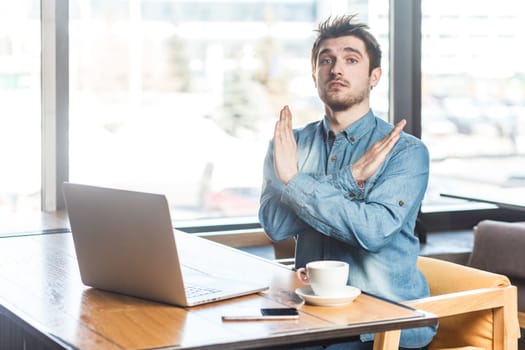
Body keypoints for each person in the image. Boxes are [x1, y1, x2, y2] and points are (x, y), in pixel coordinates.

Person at [258, 14, 436, 349]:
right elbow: (276, 226)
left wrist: (294, 182)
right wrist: (350, 179)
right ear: (315, 75)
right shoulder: (288, 144)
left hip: (384, 325)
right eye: (326, 60)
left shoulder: (406, 152)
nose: (337, 69)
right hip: (310, 319)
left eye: (351, 59)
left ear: (374, 76)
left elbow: (373, 232)